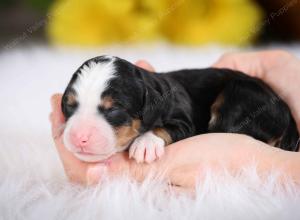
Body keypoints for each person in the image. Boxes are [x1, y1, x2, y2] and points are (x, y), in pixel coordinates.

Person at [49, 50, 300, 188]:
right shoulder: (150, 96)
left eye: (112, 111)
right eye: (72, 108)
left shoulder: (163, 102)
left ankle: (262, 143)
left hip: (247, 98)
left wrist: (156, 135)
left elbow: (183, 124)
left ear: (146, 108)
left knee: (231, 107)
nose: (79, 134)